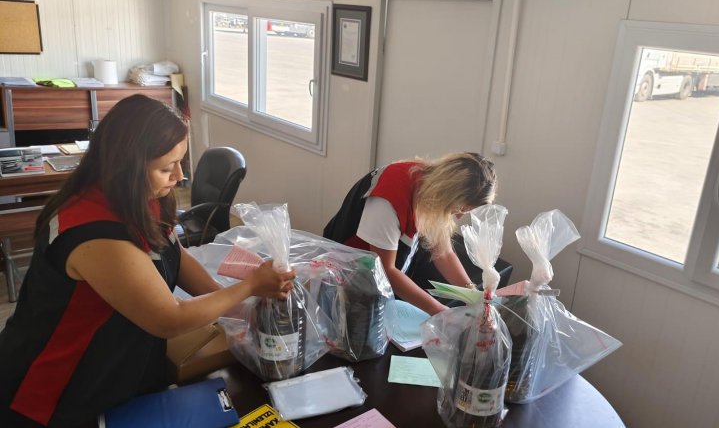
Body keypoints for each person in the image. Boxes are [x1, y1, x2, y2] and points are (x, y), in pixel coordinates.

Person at [0, 95, 295, 427]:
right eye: (166, 168)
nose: (179, 176)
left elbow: (173, 253)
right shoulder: (96, 234)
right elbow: (169, 318)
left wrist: (231, 307)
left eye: (181, 162)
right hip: (59, 386)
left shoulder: (141, 196)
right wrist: (249, 287)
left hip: (117, 364)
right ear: (126, 166)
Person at [323, 152, 497, 315]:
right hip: (347, 276)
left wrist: (473, 296)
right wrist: (440, 312)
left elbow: (443, 253)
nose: (458, 216)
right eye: (460, 208)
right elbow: (386, 270)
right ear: (449, 193)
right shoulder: (390, 196)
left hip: (379, 281)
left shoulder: (433, 190)